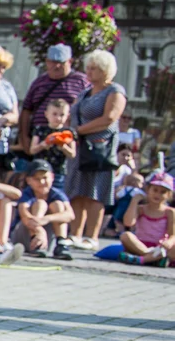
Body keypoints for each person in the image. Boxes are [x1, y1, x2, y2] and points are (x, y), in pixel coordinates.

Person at [66, 49, 126, 251]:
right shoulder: (84, 93)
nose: (89, 72)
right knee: (78, 191)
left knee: (95, 192)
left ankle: (91, 237)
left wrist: (79, 130)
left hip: (100, 147)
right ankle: (75, 234)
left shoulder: (114, 91)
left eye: (94, 69)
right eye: (88, 68)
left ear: (105, 70)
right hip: (80, 148)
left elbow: (110, 118)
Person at [17, 43, 90, 153]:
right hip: (40, 139)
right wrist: (24, 137)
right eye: (53, 62)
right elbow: (26, 110)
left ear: (70, 62)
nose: (57, 66)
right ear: (47, 62)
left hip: (68, 140)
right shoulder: (39, 83)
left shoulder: (81, 81)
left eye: (61, 62)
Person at [10, 159, 74, 259]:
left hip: (47, 238)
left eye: (45, 177)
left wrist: (47, 218)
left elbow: (70, 215)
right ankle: (35, 240)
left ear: (52, 177)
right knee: (40, 203)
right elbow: (25, 215)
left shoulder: (56, 194)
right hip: (24, 235)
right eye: (37, 179)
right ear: (28, 180)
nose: (42, 182)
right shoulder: (27, 194)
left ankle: (61, 243)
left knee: (58, 205)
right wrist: (39, 230)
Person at [119, 171, 175, 266]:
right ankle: (152, 258)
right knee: (126, 236)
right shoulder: (141, 209)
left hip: (161, 247)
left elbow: (172, 235)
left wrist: (168, 243)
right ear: (148, 190)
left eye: (163, 192)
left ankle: (143, 259)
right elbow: (128, 223)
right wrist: (134, 201)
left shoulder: (170, 212)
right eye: (155, 190)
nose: (157, 194)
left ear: (169, 195)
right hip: (141, 246)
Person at [28, 98, 76, 192]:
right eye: (54, 114)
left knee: (56, 195)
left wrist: (64, 147)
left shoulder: (68, 133)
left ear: (68, 116)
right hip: (39, 172)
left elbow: (72, 154)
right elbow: (32, 150)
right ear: (46, 114)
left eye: (62, 115)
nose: (58, 118)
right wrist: (43, 145)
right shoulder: (40, 130)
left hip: (58, 171)